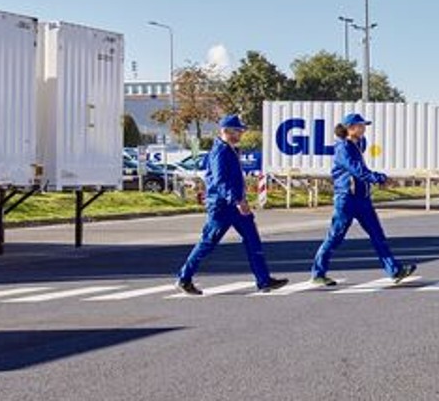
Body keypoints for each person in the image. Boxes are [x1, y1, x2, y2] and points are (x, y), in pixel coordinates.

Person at [177, 115, 287, 295]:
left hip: (234, 204)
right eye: (236, 131)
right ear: (225, 131)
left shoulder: (229, 150)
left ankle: (264, 280)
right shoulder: (220, 151)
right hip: (222, 206)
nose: (240, 134)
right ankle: (184, 277)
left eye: (240, 131)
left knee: (253, 240)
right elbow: (220, 181)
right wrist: (238, 201)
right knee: (208, 242)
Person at [309, 112, 416, 286]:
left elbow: (361, 172)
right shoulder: (343, 148)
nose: (363, 128)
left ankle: (395, 271)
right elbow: (357, 170)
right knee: (335, 236)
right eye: (360, 125)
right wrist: (380, 178)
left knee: (377, 235)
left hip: (362, 198)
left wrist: (375, 180)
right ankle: (318, 273)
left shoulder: (357, 144)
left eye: (364, 125)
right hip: (346, 198)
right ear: (350, 128)